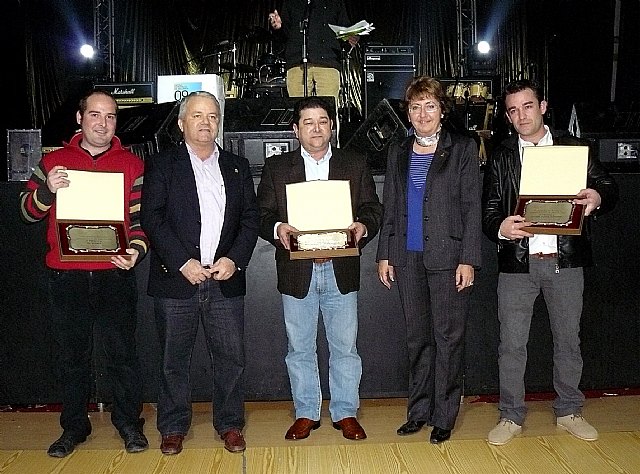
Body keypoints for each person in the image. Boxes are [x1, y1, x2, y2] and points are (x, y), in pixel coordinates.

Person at [482, 79, 618, 446]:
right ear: (508, 117)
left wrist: (597, 196)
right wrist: (501, 228)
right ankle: (510, 415)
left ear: (543, 107)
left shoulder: (574, 147)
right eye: (513, 110)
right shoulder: (502, 155)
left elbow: (608, 187)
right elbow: (489, 210)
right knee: (511, 345)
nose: (521, 116)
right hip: (518, 263)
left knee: (568, 341)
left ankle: (569, 410)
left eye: (527, 106)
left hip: (565, 261)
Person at [19, 90, 150, 457]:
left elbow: (140, 223)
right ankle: (74, 427)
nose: (103, 124)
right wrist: (48, 190)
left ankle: (129, 423)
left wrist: (135, 252)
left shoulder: (133, 165)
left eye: (110, 117)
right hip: (66, 277)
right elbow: (27, 213)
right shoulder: (53, 162)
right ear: (80, 118)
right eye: (95, 115)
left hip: (114, 275)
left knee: (122, 356)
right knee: (71, 358)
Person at [140, 91, 259, 454]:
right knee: (173, 361)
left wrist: (234, 260)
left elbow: (250, 219)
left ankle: (230, 424)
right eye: (197, 116)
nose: (206, 123)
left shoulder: (238, 166)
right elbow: (152, 218)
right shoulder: (162, 164)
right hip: (177, 279)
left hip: (224, 280)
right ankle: (173, 426)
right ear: (181, 123)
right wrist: (182, 262)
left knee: (231, 360)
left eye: (212, 116)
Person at [257, 96, 382, 441]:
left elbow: (373, 208)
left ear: (332, 126)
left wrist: (363, 227)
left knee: (345, 347)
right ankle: (306, 412)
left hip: (341, 268)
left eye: (323, 121)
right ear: (296, 130)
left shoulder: (354, 163)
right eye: (308, 122)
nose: (316, 129)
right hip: (297, 271)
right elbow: (262, 214)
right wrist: (278, 228)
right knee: (299, 347)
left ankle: (345, 412)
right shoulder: (277, 168)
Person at [376, 76, 482, 444]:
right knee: (417, 339)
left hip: (448, 258)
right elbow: (391, 206)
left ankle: (444, 416)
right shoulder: (398, 150)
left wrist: (468, 259)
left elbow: (471, 207)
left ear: (442, 111)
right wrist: (385, 253)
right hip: (407, 258)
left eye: (430, 106)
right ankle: (418, 412)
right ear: (407, 113)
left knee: (448, 339)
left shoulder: (463, 148)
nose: (423, 114)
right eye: (416, 107)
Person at [268, 0, 358, 106]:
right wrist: (278, 27)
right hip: (297, 62)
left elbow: (344, 28)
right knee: (299, 108)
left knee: (328, 108)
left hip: (328, 62)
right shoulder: (291, 2)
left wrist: (351, 36)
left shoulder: (335, 2)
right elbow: (285, 35)